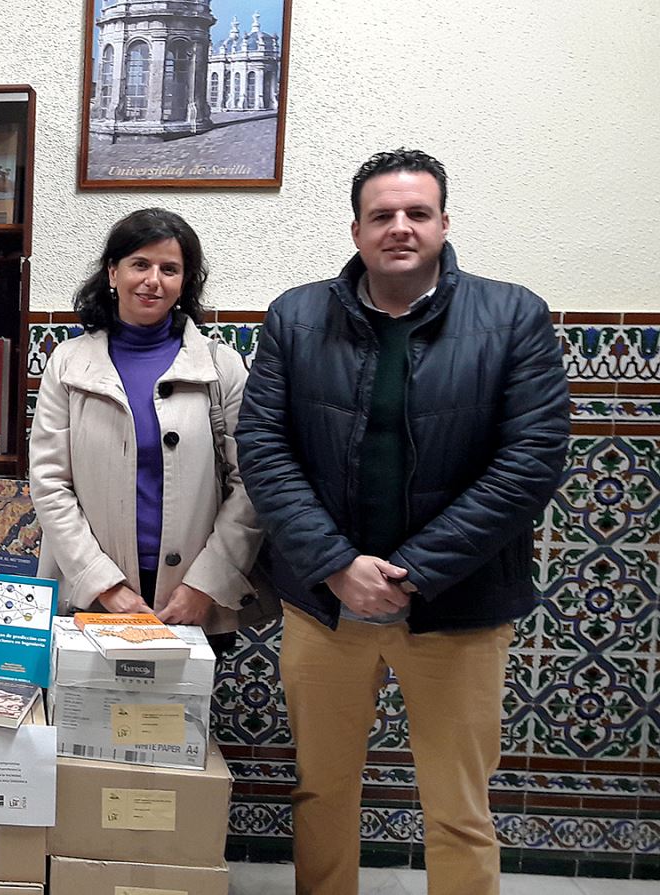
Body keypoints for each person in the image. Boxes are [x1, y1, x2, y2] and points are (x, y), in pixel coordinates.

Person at [235, 149, 570, 894]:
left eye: (417, 213)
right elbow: (263, 446)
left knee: (458, 804)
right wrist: (335, 564)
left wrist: (411, 572)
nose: (400, 228)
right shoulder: (296, 316)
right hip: (325, 605)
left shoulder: (514, 315)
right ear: (355, 229)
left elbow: (531, 462)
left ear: (445, 223)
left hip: (459, 605)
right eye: (382, 215)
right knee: (321, 790)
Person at [30, 208, 266, 652]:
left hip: (192, 599)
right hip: (95, 597)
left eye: (170, 269)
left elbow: (250, 485)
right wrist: (103, 584)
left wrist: (205, 585)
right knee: (89, 719)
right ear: (113, 272)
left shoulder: (221, 367)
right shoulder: (67, 363)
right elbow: (49, 482)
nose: (153, 280)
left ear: (184, 282)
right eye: (140, 264)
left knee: (174, 723)